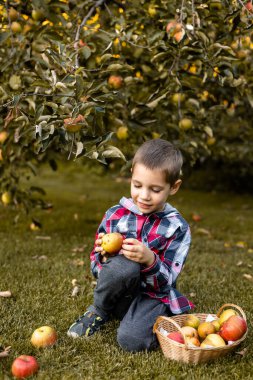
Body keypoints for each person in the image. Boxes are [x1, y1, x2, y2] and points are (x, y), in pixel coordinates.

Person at [68, 139, 194, 352]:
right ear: (131, 176)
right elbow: (96, 266)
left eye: (155, 189)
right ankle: (99, 309)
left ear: (174, 187)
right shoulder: (115, 215)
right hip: (119, 292)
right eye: (137, 185)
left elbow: (167, 281)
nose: (144, 195)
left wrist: (150, 260)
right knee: (123, 266)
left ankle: (145, 319)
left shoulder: (177, 228)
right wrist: (104, 258)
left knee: (131, 341)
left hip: (151, 296)